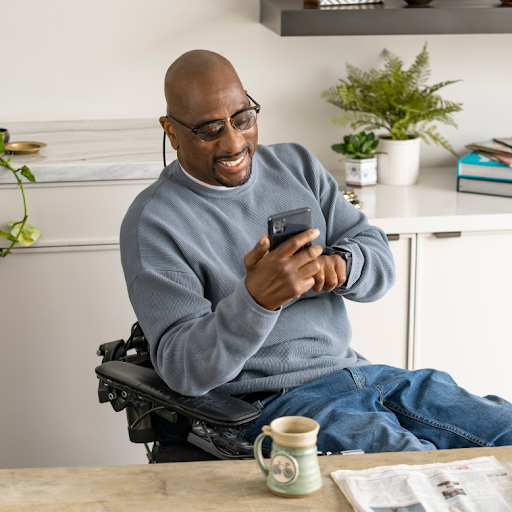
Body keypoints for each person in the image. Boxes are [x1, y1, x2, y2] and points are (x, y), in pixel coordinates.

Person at [120, 49, 512, 454]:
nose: (234, 142)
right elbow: (183, 370)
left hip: (364, 374)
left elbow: (376, 254)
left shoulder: (296, 165)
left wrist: (341, 264)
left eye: (243, 119)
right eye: (208, 130)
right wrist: (257, 301)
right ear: (171, 130)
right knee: (411, 473)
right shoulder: (153, 222)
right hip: (275, 404)